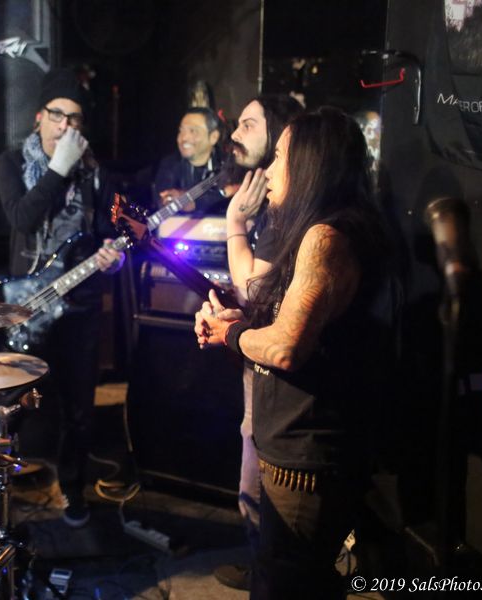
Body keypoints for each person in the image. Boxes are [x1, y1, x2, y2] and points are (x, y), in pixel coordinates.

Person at [196, 107, 395, 598]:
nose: (268, 170)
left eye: (280, 156)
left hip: (307, 456)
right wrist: (234, 324)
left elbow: (286, 346)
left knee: (288, 584)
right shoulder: (314, 230)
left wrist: (232, 334)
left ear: (308, 163)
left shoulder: (327, 237)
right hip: (292, 446)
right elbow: (282, 319)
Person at [0, 68, 124, 527]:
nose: (65, 127)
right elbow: (23, 218)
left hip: (79, 303)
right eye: (57, 116)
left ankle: (72, 487)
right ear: (39, 117)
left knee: (79, 408)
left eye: (74, 119)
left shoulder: (95, 174)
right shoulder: (12, 163)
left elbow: (109, 235)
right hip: (27, 305)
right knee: (12, 400)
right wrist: (58, 168)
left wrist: (113, 258)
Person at [214, 94, 303, 590]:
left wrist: (234, 225)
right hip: (261, 360)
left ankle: (270, 575)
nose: (235, 134)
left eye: (248, 125)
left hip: (279, 375)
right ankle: (265, 567)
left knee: (259, 475)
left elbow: (254, 289)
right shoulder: (270, 202)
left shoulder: (285, 208)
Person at [153, 106, 226, 214]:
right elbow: (163, 201)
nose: (183, 138)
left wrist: (193, 202)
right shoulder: (169, 165)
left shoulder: (227, 165)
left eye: (193, 131)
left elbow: (229, 195)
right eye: (181, 131)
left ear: (213, 137)